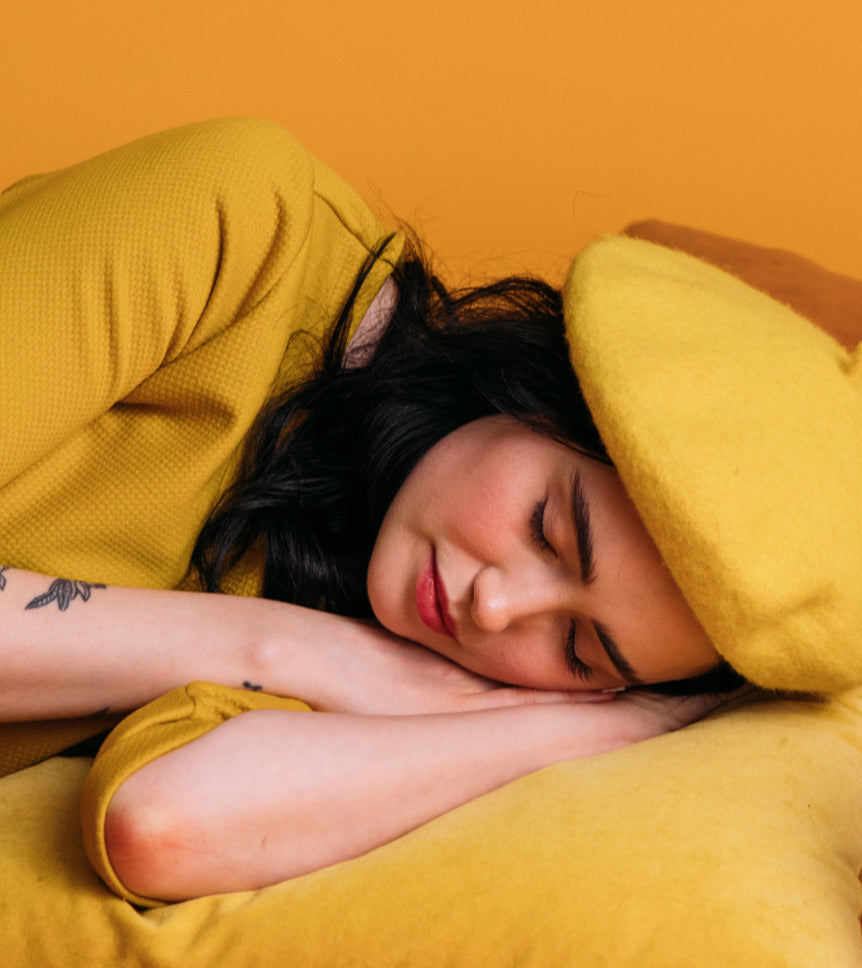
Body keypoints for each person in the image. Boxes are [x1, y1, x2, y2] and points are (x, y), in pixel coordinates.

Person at [0, 119, 739, 903]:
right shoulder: (249, 224)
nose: (495, 606)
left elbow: (164, 825)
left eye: (580, 646)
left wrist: (590, 731)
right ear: (541, 391)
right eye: (545, 531)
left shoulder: (408, 647)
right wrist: (296, 650)